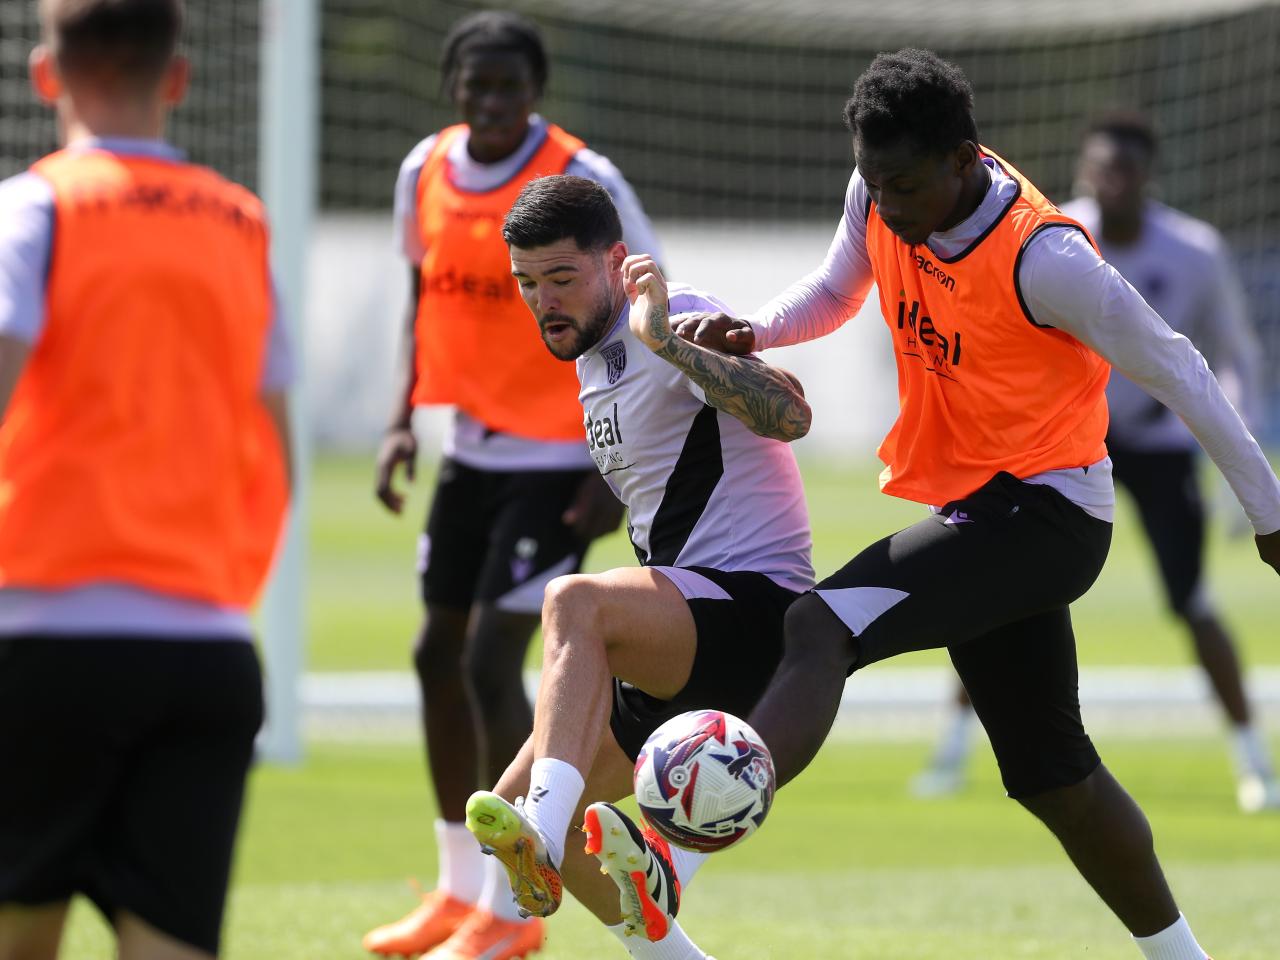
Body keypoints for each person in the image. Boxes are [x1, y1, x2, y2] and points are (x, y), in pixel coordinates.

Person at [652, 48, 1280, 959]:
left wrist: (1269, 515)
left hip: (1047, 515)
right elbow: (836, 291)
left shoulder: (1047, 256)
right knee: (1053, 777)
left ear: (963, 158)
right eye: (875, 183)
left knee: (819, 626)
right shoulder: (881, 190)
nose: (887, 209)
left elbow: (1182, 369)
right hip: (985, 510)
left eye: (903, 186)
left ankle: (674, 860)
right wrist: (756, 329)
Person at [362, 12, 662, 960]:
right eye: (474, 85)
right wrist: (403, 415)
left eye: (508, 87)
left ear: (536, 91)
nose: (490, 103)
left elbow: (644, 294)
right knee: (432, 655)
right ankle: (456, 891)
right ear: (452, 87)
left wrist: (613, 459)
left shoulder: (586, 176)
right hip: (471, 454)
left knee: (494, 658)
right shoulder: (426, 170)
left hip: (558, 459)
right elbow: (423, 296)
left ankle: (509, 909)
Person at [457, 174, 813, 960]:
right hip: (682, 626)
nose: (543, 300)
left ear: (617, 261)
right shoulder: (593, 354)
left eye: (561, 278)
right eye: (527, 283)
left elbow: (792, 413)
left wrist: (667, 339)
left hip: (755, 608)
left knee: (573, 603)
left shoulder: (674, 314)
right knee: (513, 814)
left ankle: (546, 830)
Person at [0, 2, 292, 958]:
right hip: (206, 649)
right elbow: (277, 451)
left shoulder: (37, 205)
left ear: (47, 75)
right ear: (178, 78)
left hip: (44, 641)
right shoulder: (241, 223)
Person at [911, 111, 1280, 811]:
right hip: (1067, 439)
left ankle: (1252, 760)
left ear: (1148, 176)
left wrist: (1240, 466)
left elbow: (1229, 352)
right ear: (1084, 170)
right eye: (1099, 168)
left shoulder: (1194, 251)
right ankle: (951, 752)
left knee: (1192, 599)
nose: (1109, 183)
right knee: (993, 583)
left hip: (1159, 439)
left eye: (1125, 170)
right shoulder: (1050, 236)